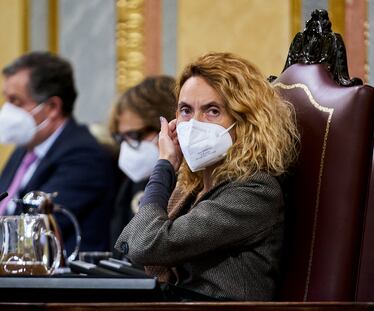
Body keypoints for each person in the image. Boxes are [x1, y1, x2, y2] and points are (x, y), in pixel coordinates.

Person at [115, 52, 299, 300]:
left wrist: (165, 164)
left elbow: (149, 245)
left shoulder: (255, 190)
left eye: (212, 111)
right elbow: (140, 244)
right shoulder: (194, 182)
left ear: (245, 121)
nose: (194, 123)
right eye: (186, 110)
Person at [0, 51, 116, 256]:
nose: (7, 110)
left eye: (16, 101)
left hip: (57, 282)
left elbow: (34, 231)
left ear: (52, 107)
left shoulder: (84, 156)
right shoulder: (24, 149)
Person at [108, 75, 176, 256]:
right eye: (121, 138)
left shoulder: (188, 182)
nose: (127, 147)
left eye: (135, 136)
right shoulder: (131, 184)